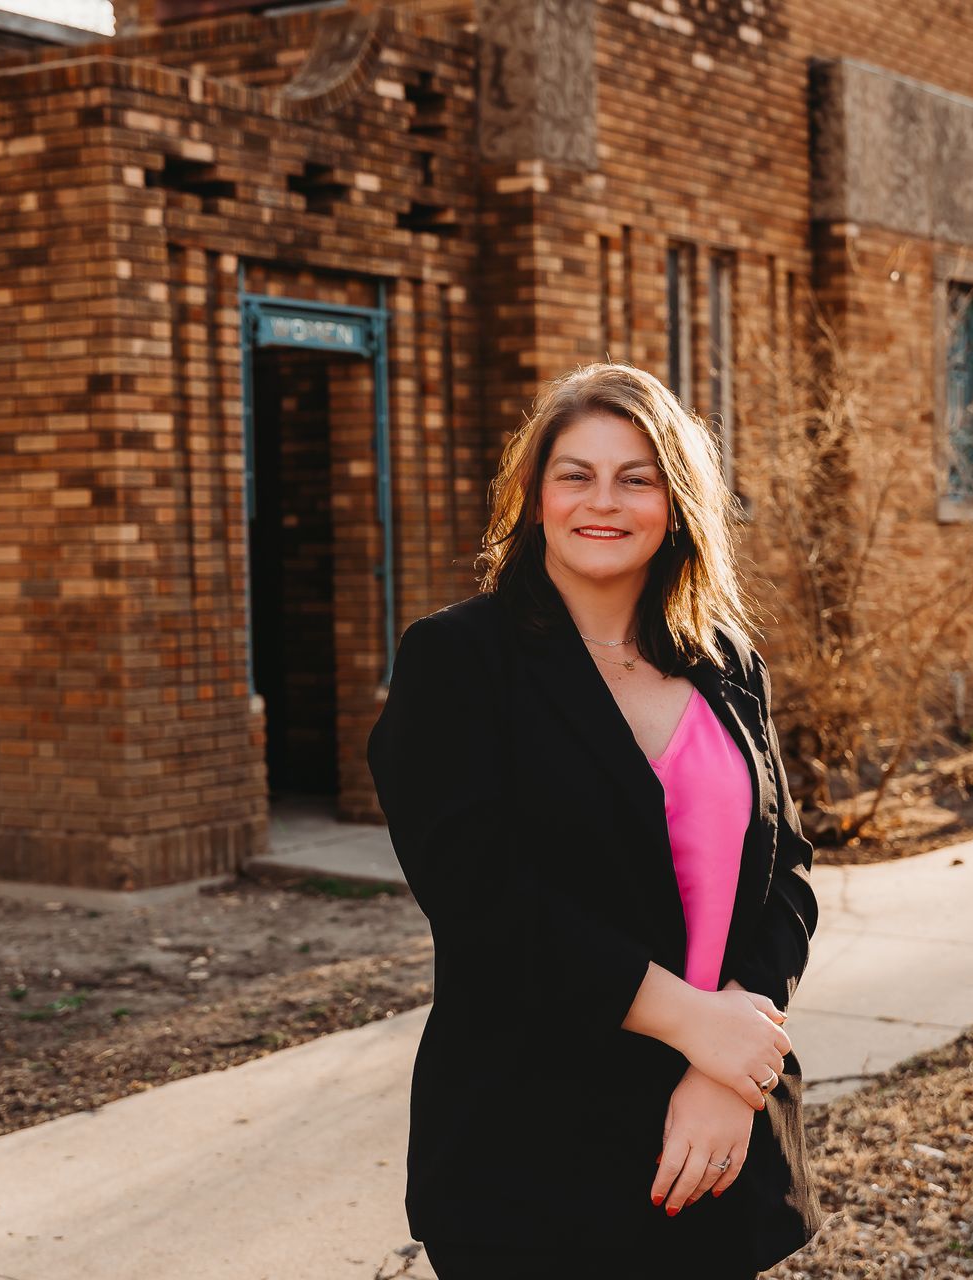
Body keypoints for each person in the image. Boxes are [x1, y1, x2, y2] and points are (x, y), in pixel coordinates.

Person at [365, 362, 826, 1278]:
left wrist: (730, 1065)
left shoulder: (725, 661)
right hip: (533, 1147)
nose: (601, 501)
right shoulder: (457, 661)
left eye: (637, 477)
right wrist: (696, 1027)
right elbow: (485, 904)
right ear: (535, 498)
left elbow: (785, 876)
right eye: (575, 474)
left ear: (676, 501)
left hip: (715, 1133)